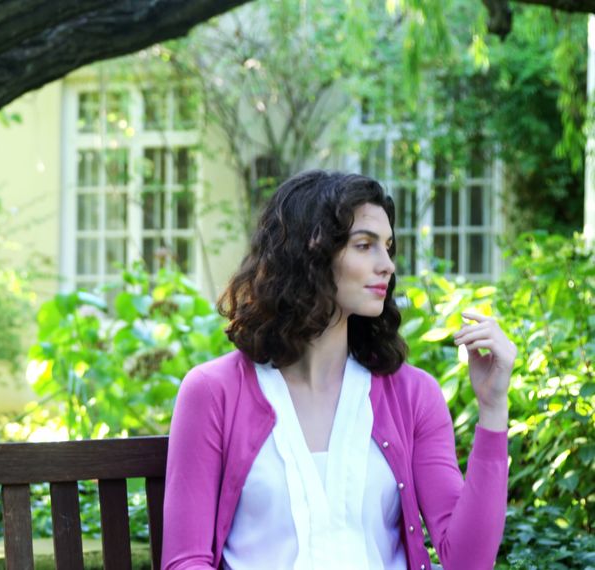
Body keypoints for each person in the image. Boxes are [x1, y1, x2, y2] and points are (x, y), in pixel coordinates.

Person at [161, 171, 514, 570]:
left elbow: (467, 562)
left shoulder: (413, 395)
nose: (387, 266)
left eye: (388, 247)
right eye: (365, 245)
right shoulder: (215, 392)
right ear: (307, 254)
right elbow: (185, 561)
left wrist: (492, 407)